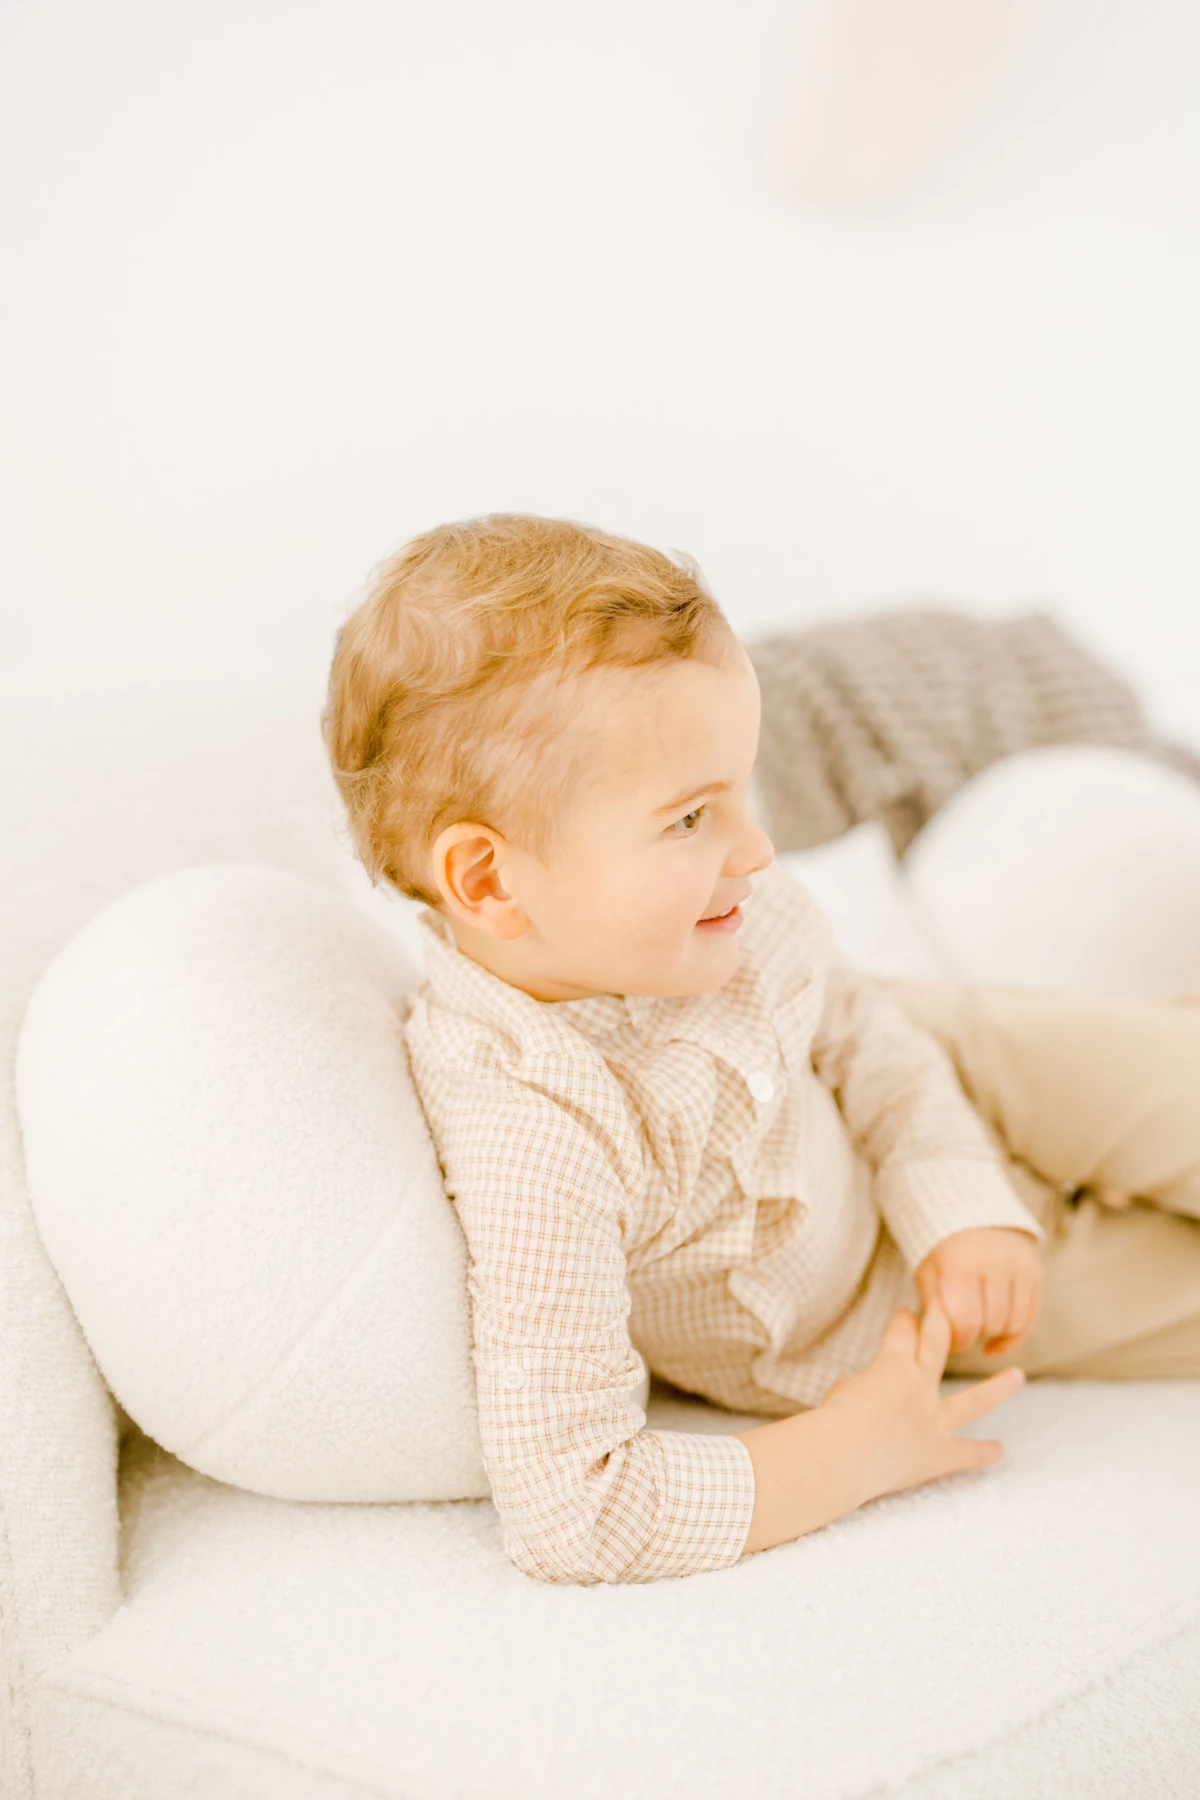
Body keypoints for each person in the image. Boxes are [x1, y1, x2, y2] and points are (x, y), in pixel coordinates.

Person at [321, 513, 1200, 1586]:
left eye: (743, 790)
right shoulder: (534, 1126)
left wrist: (960, 1197)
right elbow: (573, 1510)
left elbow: (876, 1046)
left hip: (952, 1073)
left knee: (1154, 1076)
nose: (759, 846)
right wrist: (851, 1455)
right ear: (491, 884)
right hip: (889, 1305)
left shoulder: (736, 911)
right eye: (692, 817)